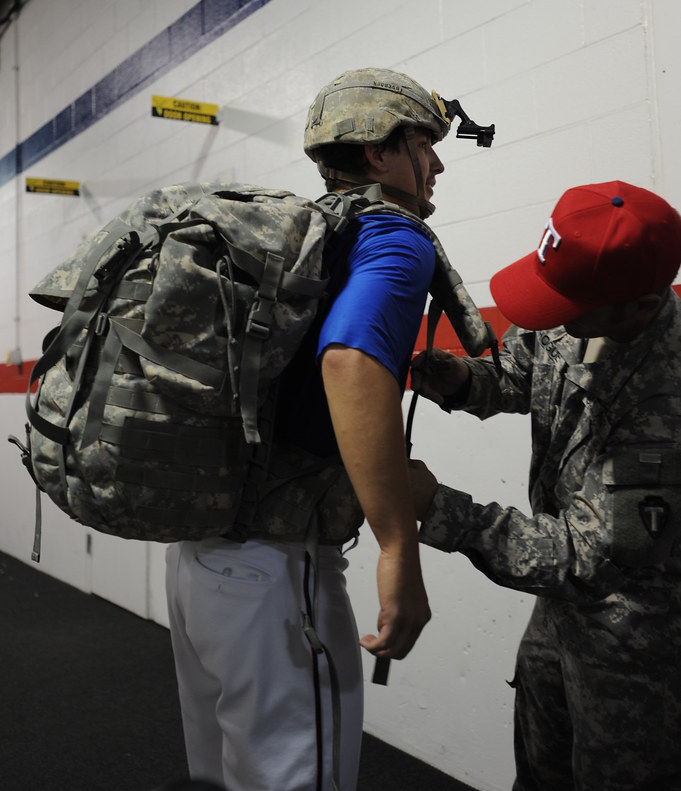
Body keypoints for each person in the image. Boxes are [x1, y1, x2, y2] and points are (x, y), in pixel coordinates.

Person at [165, 67, 454, 791]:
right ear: (381, 153)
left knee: (224, 775)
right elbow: (351, 360)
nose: (439, 163)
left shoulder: (298, 240)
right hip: (276, 564)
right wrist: (398, 544)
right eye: (425, 143)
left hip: (199, 557)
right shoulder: (392, 236)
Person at [409, 179, 681, 791]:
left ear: (640, 305)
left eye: (569, 307)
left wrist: (439, 508)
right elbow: (521, 370)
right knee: (539, 770)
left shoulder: (668, 403)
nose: (553, 315)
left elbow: (590, 558)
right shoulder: (582, 302)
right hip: (559, 613)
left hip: (636, 639)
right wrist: (464, 381)